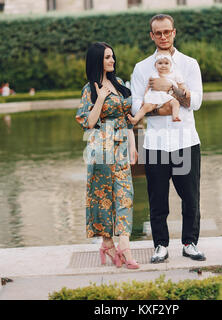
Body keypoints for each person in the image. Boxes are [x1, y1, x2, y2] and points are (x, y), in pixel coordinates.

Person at [131, 14, 205, 263]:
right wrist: (164, 107)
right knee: (157, 199)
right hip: (155, 145)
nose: (163, 37)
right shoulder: (142, 68)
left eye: (167, 32)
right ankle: (160, 245)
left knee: (191, 197)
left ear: (174, 32)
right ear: (151, 35)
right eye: (158, 33)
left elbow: (194, 102)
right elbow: (135, 107)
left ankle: (190, 243)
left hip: (186, 141)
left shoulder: (189, 64)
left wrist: (170, 89)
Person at [75, 42, 139, 269]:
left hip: (121, 147)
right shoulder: (88, 90)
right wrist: (100, 97)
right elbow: (89, 122)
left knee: (124, 195)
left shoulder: (120, 84)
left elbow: (126, 116)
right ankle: (107, 243)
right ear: (97, 61)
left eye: (112, 57)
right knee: (102, 198)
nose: (112, 61)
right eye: (107, 58)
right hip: (100, 149)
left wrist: (132, 145)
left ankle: (125, 246)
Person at [127, 50, 189, 124]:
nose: (163, 65)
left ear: (171, 65)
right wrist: (144, 98)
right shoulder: (154, 75)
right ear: (155, 65)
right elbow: (148, 87)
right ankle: (136, 118)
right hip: (154, 97)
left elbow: (181, 84)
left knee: (175, 103)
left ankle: (175, 116)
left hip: (167, 98)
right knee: (145, 107)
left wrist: (186, 90)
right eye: (160, 63)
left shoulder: (175, 75)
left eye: (166, 63)